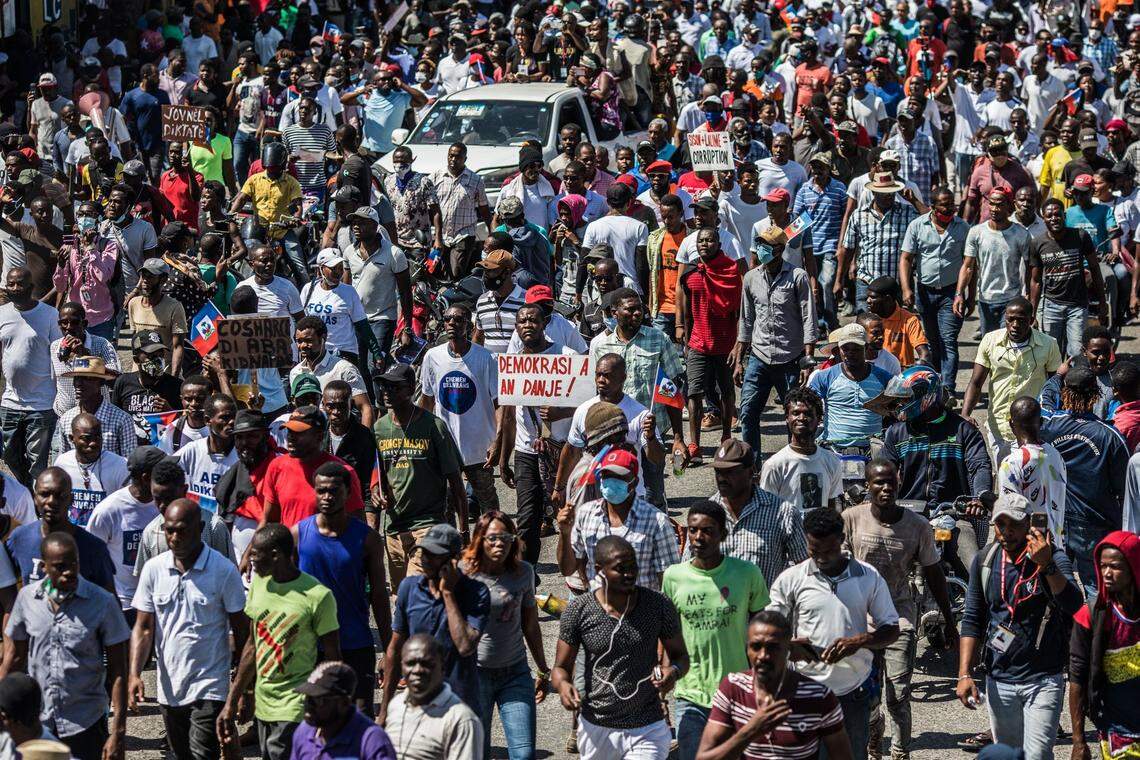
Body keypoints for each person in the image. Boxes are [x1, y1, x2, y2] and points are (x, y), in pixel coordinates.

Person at [843, 459, 959, 760]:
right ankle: (873, 732)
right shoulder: (851, 519)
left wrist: (949, 620)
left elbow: (934, 574)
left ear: (898, 483)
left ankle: (899, 752)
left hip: (899, 618)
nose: (885, 489)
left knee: (898, 695)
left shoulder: (917, 527)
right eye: (878, 483)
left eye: (890, 483)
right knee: (868, 699)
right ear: (867, 485)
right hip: (860, 621)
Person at [766, 507, 900, 760]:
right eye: (814, 551)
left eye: (829, 551)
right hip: (804, 694)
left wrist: (862, 640)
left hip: (853, 694)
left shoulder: (868, 576)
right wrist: (787, 645)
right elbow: (769, 628)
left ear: (841, 540)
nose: (822, 558)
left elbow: (891, 628)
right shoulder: (791, 579)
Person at [956, 493, 1082, 760]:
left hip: (1043, 678)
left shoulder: (1053, 558)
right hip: (999, 678)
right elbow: (972, 619)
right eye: (1001, 525)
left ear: (1029, 525)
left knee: (1037, 755)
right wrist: (964, 673)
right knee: (1009, 755)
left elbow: (1074, 604)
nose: (1007, 532)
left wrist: (1046, 565)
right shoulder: (986, 560)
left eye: (1014, 524)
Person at [129, 498, 247, 760]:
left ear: (200, 527)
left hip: (210, 685)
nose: (174, 537)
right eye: (169, 530)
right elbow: (144, 627)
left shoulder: (223, 570)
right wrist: (135, 673)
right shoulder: (153, 570)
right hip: (169, 686)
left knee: (203, 753)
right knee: (181, 754)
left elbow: (242, 631)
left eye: (182, 530)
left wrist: (243, 686)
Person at [551, 535, 689, 760]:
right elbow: (560, 667)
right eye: (620, 568)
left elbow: (681, 657)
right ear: (599, 570)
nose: (629, 574)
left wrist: (672, 672)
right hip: (596, 728)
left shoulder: (658, 605)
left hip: (648, 726)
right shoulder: (579, 610)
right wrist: (564, 686)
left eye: (633, 566)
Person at [0, 531, 130, 760]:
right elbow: (16, 658)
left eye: (74, 563)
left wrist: (118, 731)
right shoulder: (27, 599)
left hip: (86, 723)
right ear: (44, 567)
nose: (69, 572)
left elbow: (119, 670)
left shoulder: (102, 602)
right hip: (39, 725)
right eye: (60, 567)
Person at [218, 524, 341, 760]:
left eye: (255, 554)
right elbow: (252, 647)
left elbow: (334, 657)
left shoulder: (317, 596)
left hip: (297, 704)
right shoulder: (259, 586)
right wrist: (234, 700)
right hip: (265, 705)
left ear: (275, 555)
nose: (250, 559)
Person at [663, 502, 768, 760]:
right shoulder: (673, 577)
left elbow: (762, 629)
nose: (699, 537)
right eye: (693, 530)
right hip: (690, 694)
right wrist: (664, 676)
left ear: (723, 534)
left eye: (708, 531)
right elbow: (667, 634)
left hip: (739, 692)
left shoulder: (747, 574)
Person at [294, 461, 391, 716]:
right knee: (313, 723)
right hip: (309, 648)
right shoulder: (297, 535)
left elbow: (379, 595)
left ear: (348, 493)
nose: (327, 496)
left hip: (355, 643)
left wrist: (390, 647)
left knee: (359, 719)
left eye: (334, 490)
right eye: (321, 490)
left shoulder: (367, 539)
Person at [696, 610, 853, 760]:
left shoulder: (818, 697)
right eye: (755, 647)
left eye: (773, 647)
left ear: (788, 650)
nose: (763, 656)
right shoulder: (733, 688)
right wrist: (750, 731)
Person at [461, 511, 550, 760]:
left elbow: (530, 624)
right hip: (475, 675)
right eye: (492, 538)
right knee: (476, 753)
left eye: (505, 537)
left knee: (523, 754)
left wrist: (543, 669)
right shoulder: (464, 573)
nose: (499, 543)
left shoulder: (524, 572)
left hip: (515, 673)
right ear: (479, 539)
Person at [379, 523, 490, 722]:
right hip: (419, 709)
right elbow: (394, 650)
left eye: (434, 555)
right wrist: (384, 710)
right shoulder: (408, 588)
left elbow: (465, 646)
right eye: (423, 553)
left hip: (461, 708)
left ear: (454, 560)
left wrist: (447, 593)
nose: (425, 560)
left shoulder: (476, 592)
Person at [1041, 367, 1130, 595]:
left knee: (1058, 586)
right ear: (1097, 395)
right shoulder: (1110, 436)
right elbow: (1123, 488)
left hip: (1057, 521)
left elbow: (1043, 400)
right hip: (1095, 523)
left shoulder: (1049, 425)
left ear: (1065, 394)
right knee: (1095, 589)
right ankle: (1094, 630)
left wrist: (1056, 378)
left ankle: (1066, 629)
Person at [374, 362, 467, 577]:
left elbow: (455, 480)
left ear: (411, 389)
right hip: (394, 527)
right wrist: (377, 492)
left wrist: (463, 530)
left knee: (416, 586)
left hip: (428, 523)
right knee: (400, 599)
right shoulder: (379, 428)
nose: (387, 392)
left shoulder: (434, 426)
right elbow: (378, 473)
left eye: (395, 387)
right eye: (384, 387)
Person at [735, 226, 816, 457]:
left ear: (779, 249)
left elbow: (808, 316)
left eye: (765, 246)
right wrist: (740, 359)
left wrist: (807, 359)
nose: (760, 249)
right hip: (759, 357)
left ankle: (794, 460)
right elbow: (746, 320)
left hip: (790, 357)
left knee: (793, 415)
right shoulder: (751, 278)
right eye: (758, 244)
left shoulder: (797, 276)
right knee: (748, 412)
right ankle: (752, 465)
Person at [560, 448, 681, 593]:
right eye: (606, 475)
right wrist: (565, 533)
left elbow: (669, 581)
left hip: (641, 610)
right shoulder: (586, 514)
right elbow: (567, 569)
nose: (610, 481)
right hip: (599, 609)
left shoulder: (656, 522)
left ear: (634, 482)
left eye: (618, 477)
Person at [419, 304, 499, 515]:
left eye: (458, 320)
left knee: (488, 506)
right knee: (444, 507)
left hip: (479, 448)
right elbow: (426, 401)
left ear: (470, 326)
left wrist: (498, 440)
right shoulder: (432, 357)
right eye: (447, 319)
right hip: (444, 447)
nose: (452, 323)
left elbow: (499, 405)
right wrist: (418, 436)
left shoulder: (487, 358)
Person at [1069, 530, 1140, 760]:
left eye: (1115, 567)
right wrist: (1078, 741)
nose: (1107, 573)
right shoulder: (1090, 615)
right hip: (1117, 733)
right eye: (1103, 566)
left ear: (1134, 566)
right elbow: (1077, 678)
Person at [962, 298, 1063, 450]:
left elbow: (1056, 385)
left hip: (1033, 430)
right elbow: (976, 382)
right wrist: (965, 414)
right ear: (1005, 318)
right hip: (998, 427)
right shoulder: (990, 340)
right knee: (1004, 472)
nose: (1015, 325)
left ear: (1031, 320)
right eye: (1011, 320)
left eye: (1021, 320)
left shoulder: (1049, 345)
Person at [711, 438, 807, 586]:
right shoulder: (706, 513)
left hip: (765, 607)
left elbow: (804, 568)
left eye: (730, 472)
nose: (722, 478)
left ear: (751, 472)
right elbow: (688, 568)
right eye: (718, 471)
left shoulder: (782, 512)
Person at [6, 468, 115, 592]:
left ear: (71, 499)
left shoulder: (94, 548)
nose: (52, 501)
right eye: (45, 494)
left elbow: (110, 603)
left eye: (60, 495)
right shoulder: (19, 539)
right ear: (35, 498)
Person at [260, 405, 365, 531]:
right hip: (289, 549)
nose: (291, 437)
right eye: (289, 431)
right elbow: (269, 521)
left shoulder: (343, 473)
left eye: (298, 432)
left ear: (319, 436)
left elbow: (358, 528)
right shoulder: (277, 466)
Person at [0, 267, 61, 484]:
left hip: (41, 404)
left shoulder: (49, 314)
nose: (15, 288)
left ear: (31, 287)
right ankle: (25, 494)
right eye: (11, 284)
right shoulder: (2, 313)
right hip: (10, 402)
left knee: (38, 463)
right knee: (9, 457)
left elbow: (57, 353)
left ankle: (37, 507)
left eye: (20, 284)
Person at [381, 633, 484, 757]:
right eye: (410, 663)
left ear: (443, 667)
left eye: (426, 663)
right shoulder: (396, 706)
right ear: (401, 667)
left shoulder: (461, 720)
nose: (417, 670)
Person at [954, 188, 1035, 337]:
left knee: (1008, 346)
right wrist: (959, 294)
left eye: (999, 204)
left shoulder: (1021, 234)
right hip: (985, 300)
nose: (994, 209)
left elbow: (1030, 268)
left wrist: (1027, 294)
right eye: (991, 204)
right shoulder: (976, 232)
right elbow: (967, 267)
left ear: (1009, 207)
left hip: (1011, 300)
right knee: (989, 345)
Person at [133, 458, 236, 571]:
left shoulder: (213, 527)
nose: (162, 505)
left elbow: (228, 573)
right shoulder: (150, 532)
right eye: (157, 499)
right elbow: (145, 581)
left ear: (184, 490)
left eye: (168, 498)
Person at [808, 324, 895, 446]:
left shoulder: (884, 378)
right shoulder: (824, 377)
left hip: (873, 452)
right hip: (834, 451)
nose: (850, 353)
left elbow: (897, 411)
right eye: (845, 349)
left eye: (856, 349)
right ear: (839, 349)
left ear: (866, 348)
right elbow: (808, 408)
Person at [289, 662, 397, 759]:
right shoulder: (304, 732)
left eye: (319, 700)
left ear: (344, 703)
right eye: (308, 698)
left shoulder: (371, 740)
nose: (309, 705)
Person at [759, 387, 843, 512]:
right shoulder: (774, 465)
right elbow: (766, 510)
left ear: (819, 418)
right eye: (796, 413)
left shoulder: (832, 461)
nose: (801, 418)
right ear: (787, 418)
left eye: (808, 413)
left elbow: (831, 505)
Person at [53, 414, 129, 528]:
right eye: (86, 438)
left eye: (97, 437)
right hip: (72, 537)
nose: (93, 443)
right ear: (72, 438)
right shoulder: (62, 463)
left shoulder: (120, 465)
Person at [53, 357, 134, 460]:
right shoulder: (66, 419)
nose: (78, 384)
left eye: (87, 378)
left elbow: (129, 463)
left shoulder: (121, 420)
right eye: (76, 378)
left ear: (101, 382)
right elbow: (64, 462)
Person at [126, 259, 187, 378]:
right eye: (143, 275)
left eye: (151, 277)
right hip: (140, 374)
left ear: (163, 279)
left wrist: (173, 378)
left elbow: (178, 346)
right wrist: (133, 374)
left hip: (164, 373)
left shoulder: (174, 307)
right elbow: (135, 340)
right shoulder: (133, 304)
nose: (145, 280)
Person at [864, 276, 931, 368]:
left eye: (873, 297)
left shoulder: (909, 320)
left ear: (888, 299)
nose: (868, 301)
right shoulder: (866, 320)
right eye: (868, 297)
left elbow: (924, 354)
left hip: (901, 375)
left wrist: (919, 367)